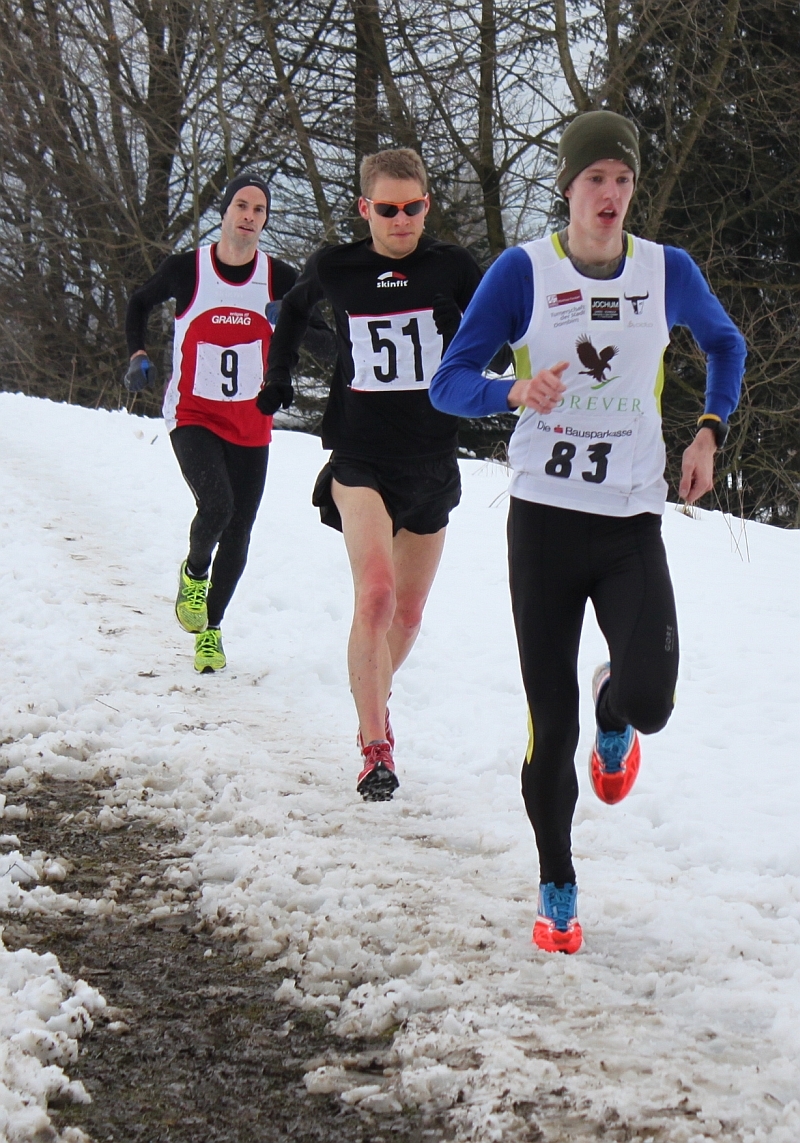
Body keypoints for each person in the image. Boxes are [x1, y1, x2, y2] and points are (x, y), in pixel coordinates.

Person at [430, 111, 746, 953]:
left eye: (624, 181)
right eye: (596, 179)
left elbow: (725, 342)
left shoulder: (665, 270)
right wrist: (511, 394)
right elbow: (448, 382)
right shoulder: (521, 272)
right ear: (567, 187)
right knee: (549, 719)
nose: (611, 196)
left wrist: (709, 428)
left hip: (630, 519)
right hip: (544, 524)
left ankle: (618, 700)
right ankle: (557, 878)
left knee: (651, 701)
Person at [260, 147, 505, 801]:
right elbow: (290, 312)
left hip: (432, 461)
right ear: (366, 209)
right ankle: (375, 746)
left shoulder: (451, 266)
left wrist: (479, 346)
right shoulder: (337, 266)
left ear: (427, 204)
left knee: (411, 609)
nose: (402, 221)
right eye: (389, 209)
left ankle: (373, 690)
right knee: (376, 596)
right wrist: (280, 375)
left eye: (414, 208)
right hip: (359, 461)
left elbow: (505, 330)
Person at [124, 173, 330, 673]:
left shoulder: (278, 277)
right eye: (242, 205)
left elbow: (326, 342)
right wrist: (137, 353)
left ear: (265, 220)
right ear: (225, 211)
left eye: (259, 210)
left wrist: (291, 323)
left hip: (252, 420)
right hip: (192, 412)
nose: (249, 217)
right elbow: (138, 302)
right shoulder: (188, 269)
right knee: (217, 504)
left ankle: (210, 631)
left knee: (240, 530)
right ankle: (194, 572)